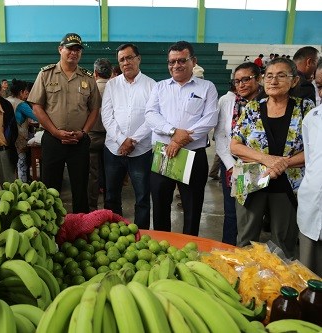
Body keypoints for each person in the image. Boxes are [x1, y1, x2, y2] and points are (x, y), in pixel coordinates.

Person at [230, 57, 315, 258]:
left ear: (294, 81)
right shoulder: (252, 108)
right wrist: (266, 159)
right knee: (245, 240)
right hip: (250, 182)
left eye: (281, 76)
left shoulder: (305, 108)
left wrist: (284, 162)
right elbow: (235, 145)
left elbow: (315, 149)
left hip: (288, 184)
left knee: (283, 243)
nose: (273, 81)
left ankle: (279, 286)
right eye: (269, 76)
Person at [145, 40, 219, 236]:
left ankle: (189, 249)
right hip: (164, 153)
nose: (176, 65)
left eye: (181, 60)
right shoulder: (160, 87)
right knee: (160, 205)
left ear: (193, 61)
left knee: (192, 207)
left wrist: (178, 141)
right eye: (172, 62)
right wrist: (172, 132)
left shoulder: (207, 87)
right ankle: (162, 244)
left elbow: (209, 119)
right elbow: (150, 114)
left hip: (193, 155)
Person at [27, 33, 101, 213]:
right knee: (50, 189)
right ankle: (50, 227)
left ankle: (80, 227)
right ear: (60, 49)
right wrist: (55, 132)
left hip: (79, 141)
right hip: (53, 140)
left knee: (80, 187)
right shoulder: (46, 74)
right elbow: (37, 106)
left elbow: (94, 109)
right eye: (70, 48)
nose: (74, 53)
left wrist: (84, 132)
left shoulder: (88, 78)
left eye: (78, 49)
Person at [101, 43, 155, 230]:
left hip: (141, 151)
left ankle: (141, 235)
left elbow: (152, 117)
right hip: (113, 150)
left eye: (129, 58)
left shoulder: (151, 85)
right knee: (111, 195)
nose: (126, 62)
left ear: (138, 59)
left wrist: (133, 141)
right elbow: (107, 115)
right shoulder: (112, 85)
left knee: (142, 197)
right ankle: (115, 231)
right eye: (122, 59)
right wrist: (121, 140)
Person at [214, 62, 263, 245]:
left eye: (246, 79)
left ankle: (250, 253)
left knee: (252, 212)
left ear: (258, 79)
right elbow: (220, 135)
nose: (241, 85)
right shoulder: (226, 101)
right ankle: (228, 249)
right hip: (231, 163)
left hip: (257, 164)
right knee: (232, 212)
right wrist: (230, 166)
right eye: (237, 81)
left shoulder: (266, 102)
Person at [297, 92, 322, 276]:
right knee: (308, 276)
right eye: (320, 86)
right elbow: (310, 159)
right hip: (311, 205)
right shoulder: (313, 117)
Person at [88, 58, 112, 211]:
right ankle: (111, 207)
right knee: (111, 173)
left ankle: (92, 207)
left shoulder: (89, 87)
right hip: (112, 137)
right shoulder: (116, 87)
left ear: (95, 73)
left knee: (92, 174)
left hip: (91, 136)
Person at [6, 78, 38, 183]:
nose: (28, 93)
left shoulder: (6, 101)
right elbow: (37, 117)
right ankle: (23, 186)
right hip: (19, 139)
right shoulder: (22, 104)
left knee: (11, 165)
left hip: (7, 139)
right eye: (26, 91)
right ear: (21, 92)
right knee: (22, 164)